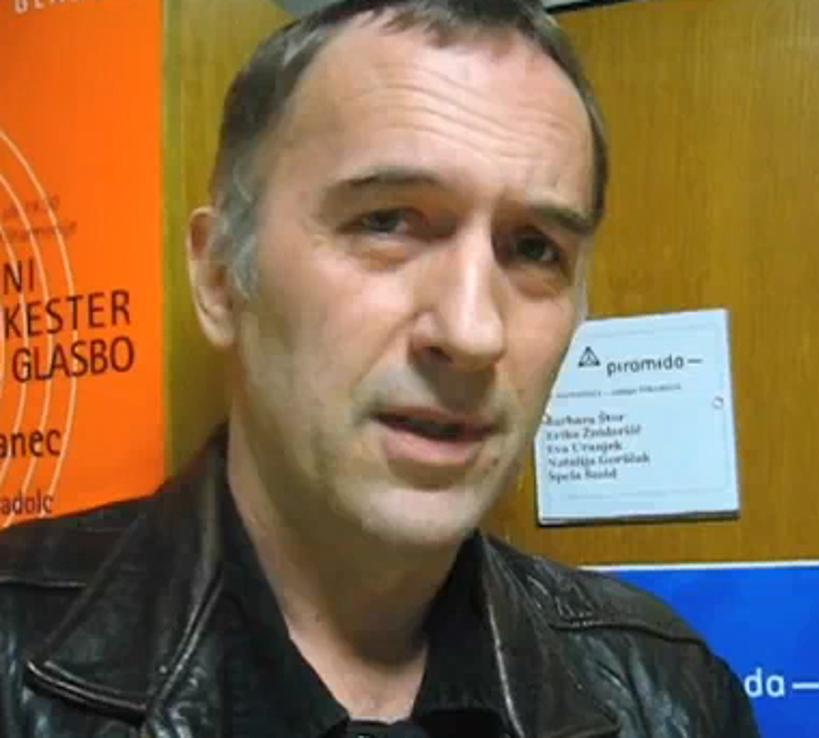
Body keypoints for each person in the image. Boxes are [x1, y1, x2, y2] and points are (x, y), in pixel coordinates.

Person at [0, 1, 759, 736]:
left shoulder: (670, 694)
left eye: (534, 248)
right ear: (222, 278)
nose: (472, 332)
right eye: (386, 221)